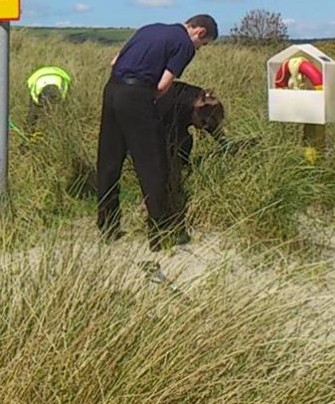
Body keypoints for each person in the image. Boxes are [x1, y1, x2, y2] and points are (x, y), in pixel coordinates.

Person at [96, 14, 218, 249]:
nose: (199, 49)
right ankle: (160, 234)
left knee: (109, 161)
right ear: (200, 32)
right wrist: (143, 100)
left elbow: (114, 61)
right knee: (153, 164)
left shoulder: (148, 28)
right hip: (137, 94)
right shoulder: (184, 44)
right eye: (203, 45)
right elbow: (163, 85)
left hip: (111, 90)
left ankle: (108, 226)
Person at [154, 82, 225, 225]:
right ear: (197, 111)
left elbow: (211, 126)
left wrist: (226, 145)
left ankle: (181, 169)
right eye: (204, 123)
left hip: (166, 123)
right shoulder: (174, 106)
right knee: (181, 143)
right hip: (149, 124)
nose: (204, 128)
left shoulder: (199, 100)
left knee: (184, 141)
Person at [25, 65, 71, 132]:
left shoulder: (63, 88)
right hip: (38, 76)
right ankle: (28, 134)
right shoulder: (35, 90)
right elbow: (34, 107)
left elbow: (64, 102)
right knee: (33, 112)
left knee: (63, 112)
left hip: (59, 75)